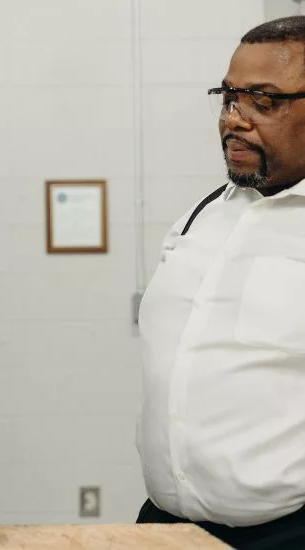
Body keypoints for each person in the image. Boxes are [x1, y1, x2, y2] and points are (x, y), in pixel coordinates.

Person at [135, 16, 305, 549]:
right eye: (229, 97)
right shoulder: (201, 215)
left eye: (263, 101)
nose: (234, 119)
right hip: (166, 525)